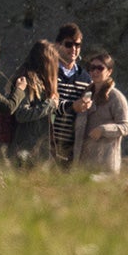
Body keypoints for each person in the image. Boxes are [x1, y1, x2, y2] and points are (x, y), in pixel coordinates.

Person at [73, 51, 128, 173]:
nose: (95, 71)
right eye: (92, 68)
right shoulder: (86, 94)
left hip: (106, 163)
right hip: (83, 162)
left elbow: (125, 127)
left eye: (100, 68)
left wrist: (103, 129)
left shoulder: (116, 97)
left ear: (109, 71)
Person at [6, 40, 62, 168]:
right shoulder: (27, 81)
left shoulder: (40, 81)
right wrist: (50, 104)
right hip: (26, 149)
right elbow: (21, 114)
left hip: (38, 149)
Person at [50, 24, 93, 169]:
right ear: (57, 45)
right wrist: (72, 105)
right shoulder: (49, 72)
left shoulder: (86, 78)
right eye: (69, 44)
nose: (74, 49)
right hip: (47, 142)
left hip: (72, 145)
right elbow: (47, 103)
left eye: (78, 45)